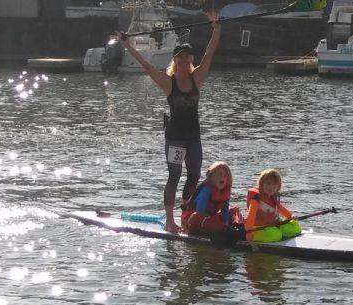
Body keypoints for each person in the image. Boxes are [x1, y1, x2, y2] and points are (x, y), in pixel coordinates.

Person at [118, 13, 221, 232]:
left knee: (194, 175)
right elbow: (146, 65)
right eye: (180, 58)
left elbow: (210, 53)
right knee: (174, 176)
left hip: (193, 137)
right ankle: (169, 220)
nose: (184, 62)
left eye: (187, 58)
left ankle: (186, 216)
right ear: (174, 61)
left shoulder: (197, 77)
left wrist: (217, 28)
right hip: (174, 137)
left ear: (191, 60)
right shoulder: (167, 82)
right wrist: (127, 44)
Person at [181, 161, 243, 236]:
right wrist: (215, 223)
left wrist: (226, 222)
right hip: (194, 219)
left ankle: (238, 228)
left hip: (210, 219)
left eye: (225, 175)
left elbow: (225, 212)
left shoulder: (226, 192)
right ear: (211, 177)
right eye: (219, 174)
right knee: (197, 216)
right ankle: (224, 230)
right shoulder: (207, 190)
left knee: (234, 211)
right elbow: (200, 211)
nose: (222, 178)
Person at [244, 169, 301, 242]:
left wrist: (290, 216)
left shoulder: (273, 196)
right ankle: (261, 235)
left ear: (278, 186)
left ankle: (278, 232)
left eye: (274, 184)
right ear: (262, 183)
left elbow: (280, 208)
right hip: (258, 228)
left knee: (296, 227)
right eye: (268, 183)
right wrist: (249, 232)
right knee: (276, 235)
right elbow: (250, 217)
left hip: (273, 225)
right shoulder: (256, 198)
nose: (271, 187)